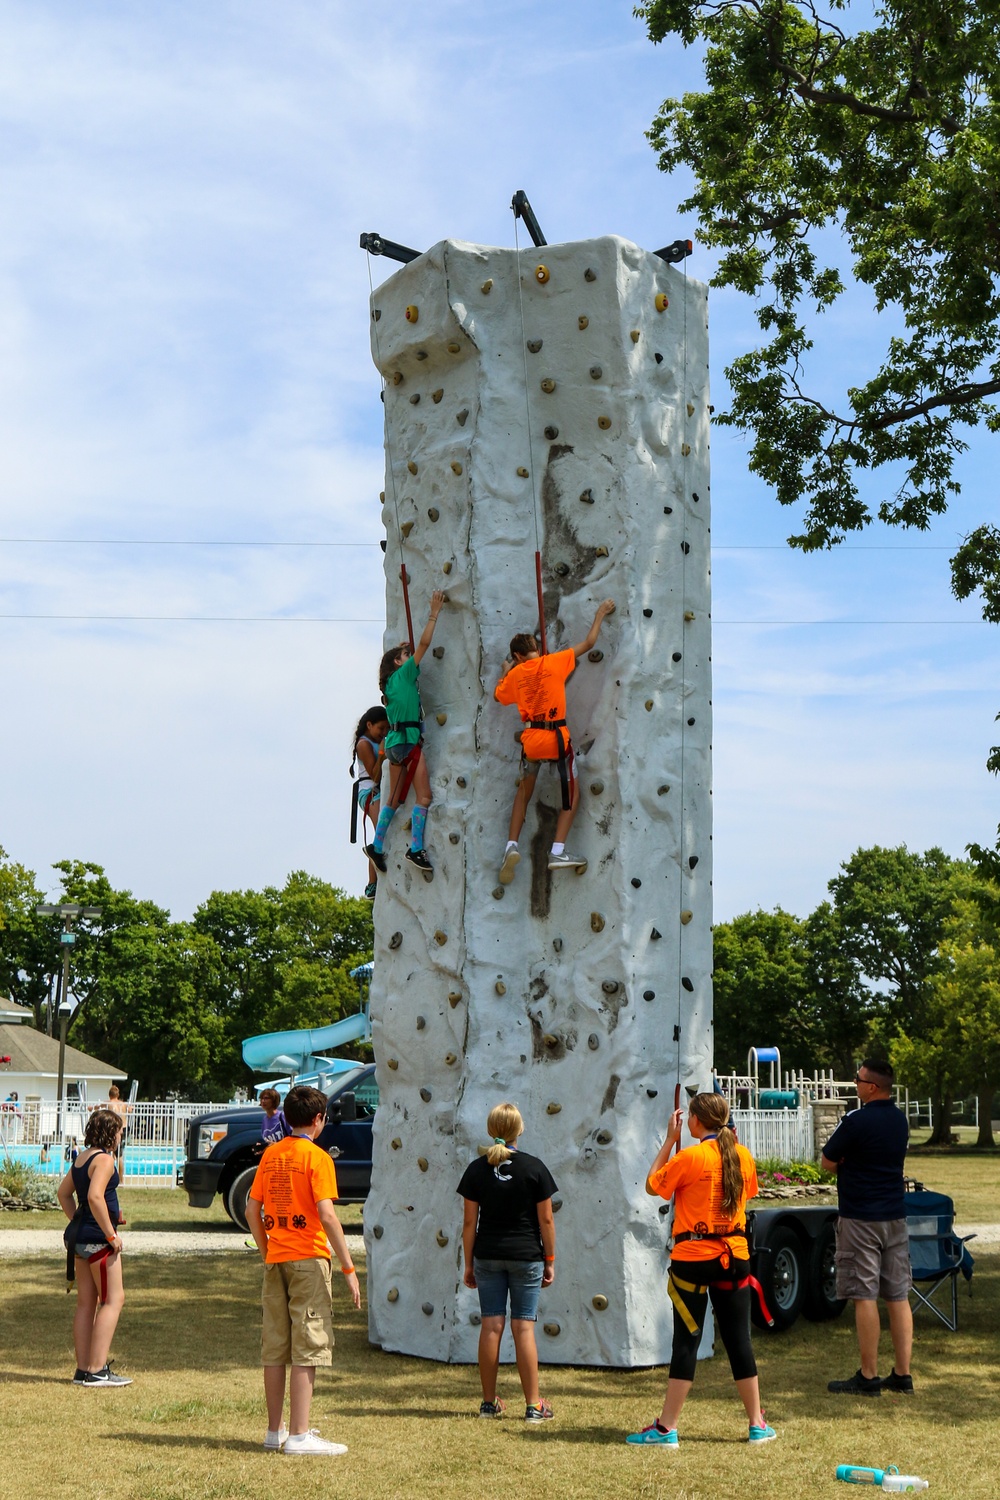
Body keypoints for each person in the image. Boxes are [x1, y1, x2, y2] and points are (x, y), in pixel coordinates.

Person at [626, 1092, 776, 1448]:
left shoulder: (690, 1156)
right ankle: (756, 1424)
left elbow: (653, 1185)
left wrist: (669, 1141)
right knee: (739, 1338)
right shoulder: (742, 1156)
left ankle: (666, 1429)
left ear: (695, 1121)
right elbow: (748, 1193)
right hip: (735, 1255)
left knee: (687, 1340)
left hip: (694, 1256)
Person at [245, 1084, 361, 1456]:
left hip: (276, 1256)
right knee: (308, 1344)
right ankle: (299, 1435)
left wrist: (267, 1249)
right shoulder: (318, 1158)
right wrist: (348, 1267)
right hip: (308, 1259)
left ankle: (273, 1430)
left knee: (276, 1346)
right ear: (318, 1120)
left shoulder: (271, 1154)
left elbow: (252, 1209)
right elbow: (327, 1214)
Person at [493, 599, 616, 881]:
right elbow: (589, 642)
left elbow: (499, 696)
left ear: (517, 655)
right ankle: (558, 849)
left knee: (523, 794)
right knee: (571, 795)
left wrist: (506, 669)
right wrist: (599, 614)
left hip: (532, 741)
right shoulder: (554, 661)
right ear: (537, 650)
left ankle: (511, 845)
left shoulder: (514, 674)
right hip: (557, 740)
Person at [457, 1102, 557, 1423]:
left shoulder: (476, 1169)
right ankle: (533, 1406)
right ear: (520, 1129)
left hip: (487, 1255)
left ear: (490, 1129)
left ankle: (489, 1404)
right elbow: (547, 1221)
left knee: (491, 1326)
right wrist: (550, 1260)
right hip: (527, 1256)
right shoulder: (534, 1168)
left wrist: (469, 1264)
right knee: (523, 1328)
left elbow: (468, 1224)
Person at [822, 1058, 913, 1396]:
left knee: (864, 1295)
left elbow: (828, 1161)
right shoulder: (900, 1120)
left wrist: (848, 1160)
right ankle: (902, 1375)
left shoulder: (856, 1121)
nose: (855, 1084)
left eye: (858, 1079)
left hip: (861, 1218)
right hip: (895, 1217)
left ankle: (869, 1376)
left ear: (872, 1086)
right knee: (898, 1295)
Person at [365, 591, 446, 880]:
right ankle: (416, 848)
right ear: (400, 663)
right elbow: (424, 644)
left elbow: (406, 658)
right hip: (410, 745)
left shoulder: (389, 685)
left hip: (395, 747)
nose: (410, 657)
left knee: (394, 801)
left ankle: (376, 845)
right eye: (405, 656)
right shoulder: (404, 674)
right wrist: (434, 613)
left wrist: (400, 653)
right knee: (423, 797)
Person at [56, 1108, 131, 1387]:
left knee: (86, 1303)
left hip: (79, 1239)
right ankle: (98, 1371)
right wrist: (111, 1235)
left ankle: (82, 1370)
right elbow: (95, 1197)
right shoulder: (105, 1160)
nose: (121, 1136)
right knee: (113, 1300)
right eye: (120, 1131)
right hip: (99, 1240)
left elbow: (64, 1194)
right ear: (111, 1132)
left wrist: (79, 1219)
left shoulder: (81, 1158)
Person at [351, 706, 389, 899]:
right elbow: (375, 775)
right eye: (381, 728)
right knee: (379, 835)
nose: (383, 733)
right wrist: (382, 753)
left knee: (380, 836)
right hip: (369, 792)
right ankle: (372, 883)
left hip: (380, 789)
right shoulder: (363, 744)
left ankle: (374, 882)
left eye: (386, 730)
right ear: (369, 725)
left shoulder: (374, 741)